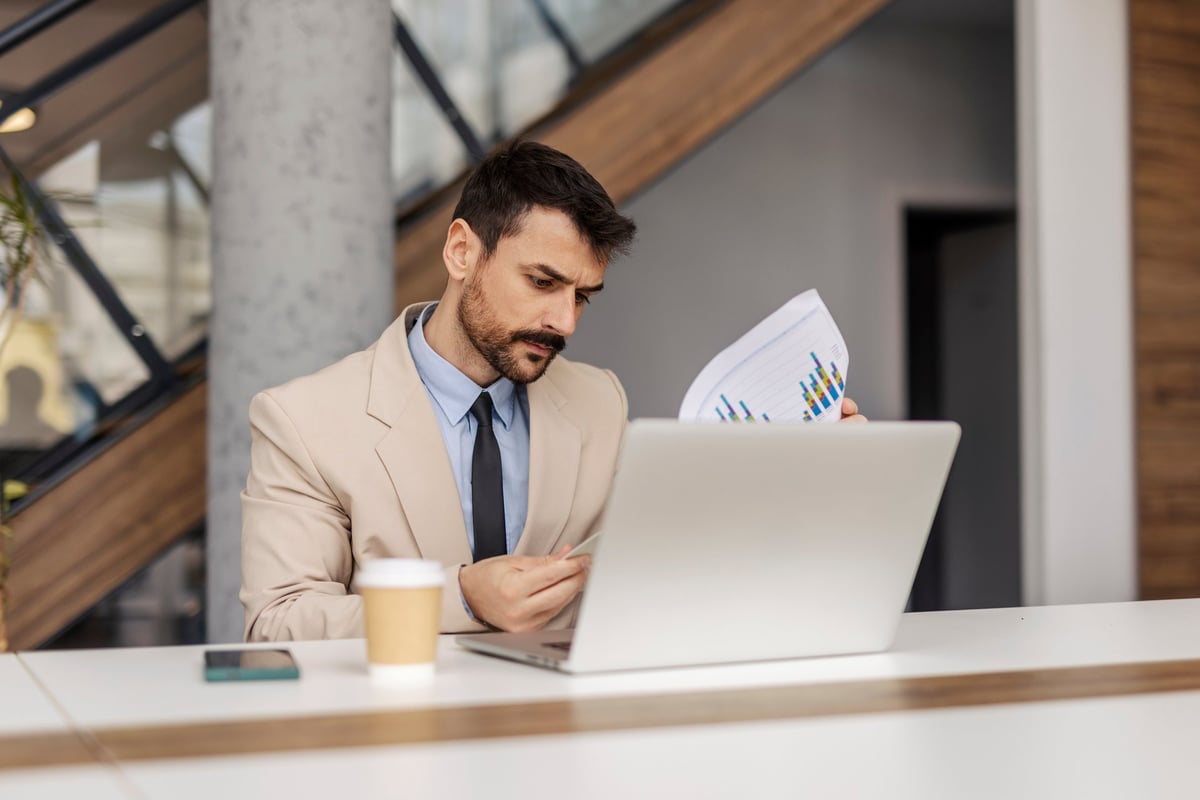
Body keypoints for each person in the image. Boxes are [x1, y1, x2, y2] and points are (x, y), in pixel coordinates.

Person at [241, 140, 865, 642]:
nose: (565, 322)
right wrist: (457, 598)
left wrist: (800, 481)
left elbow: (663, 579)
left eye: (582, 296)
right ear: (462, 252)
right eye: (543, 281)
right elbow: (277, 625)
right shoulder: (303, 420)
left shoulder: (600, 402)